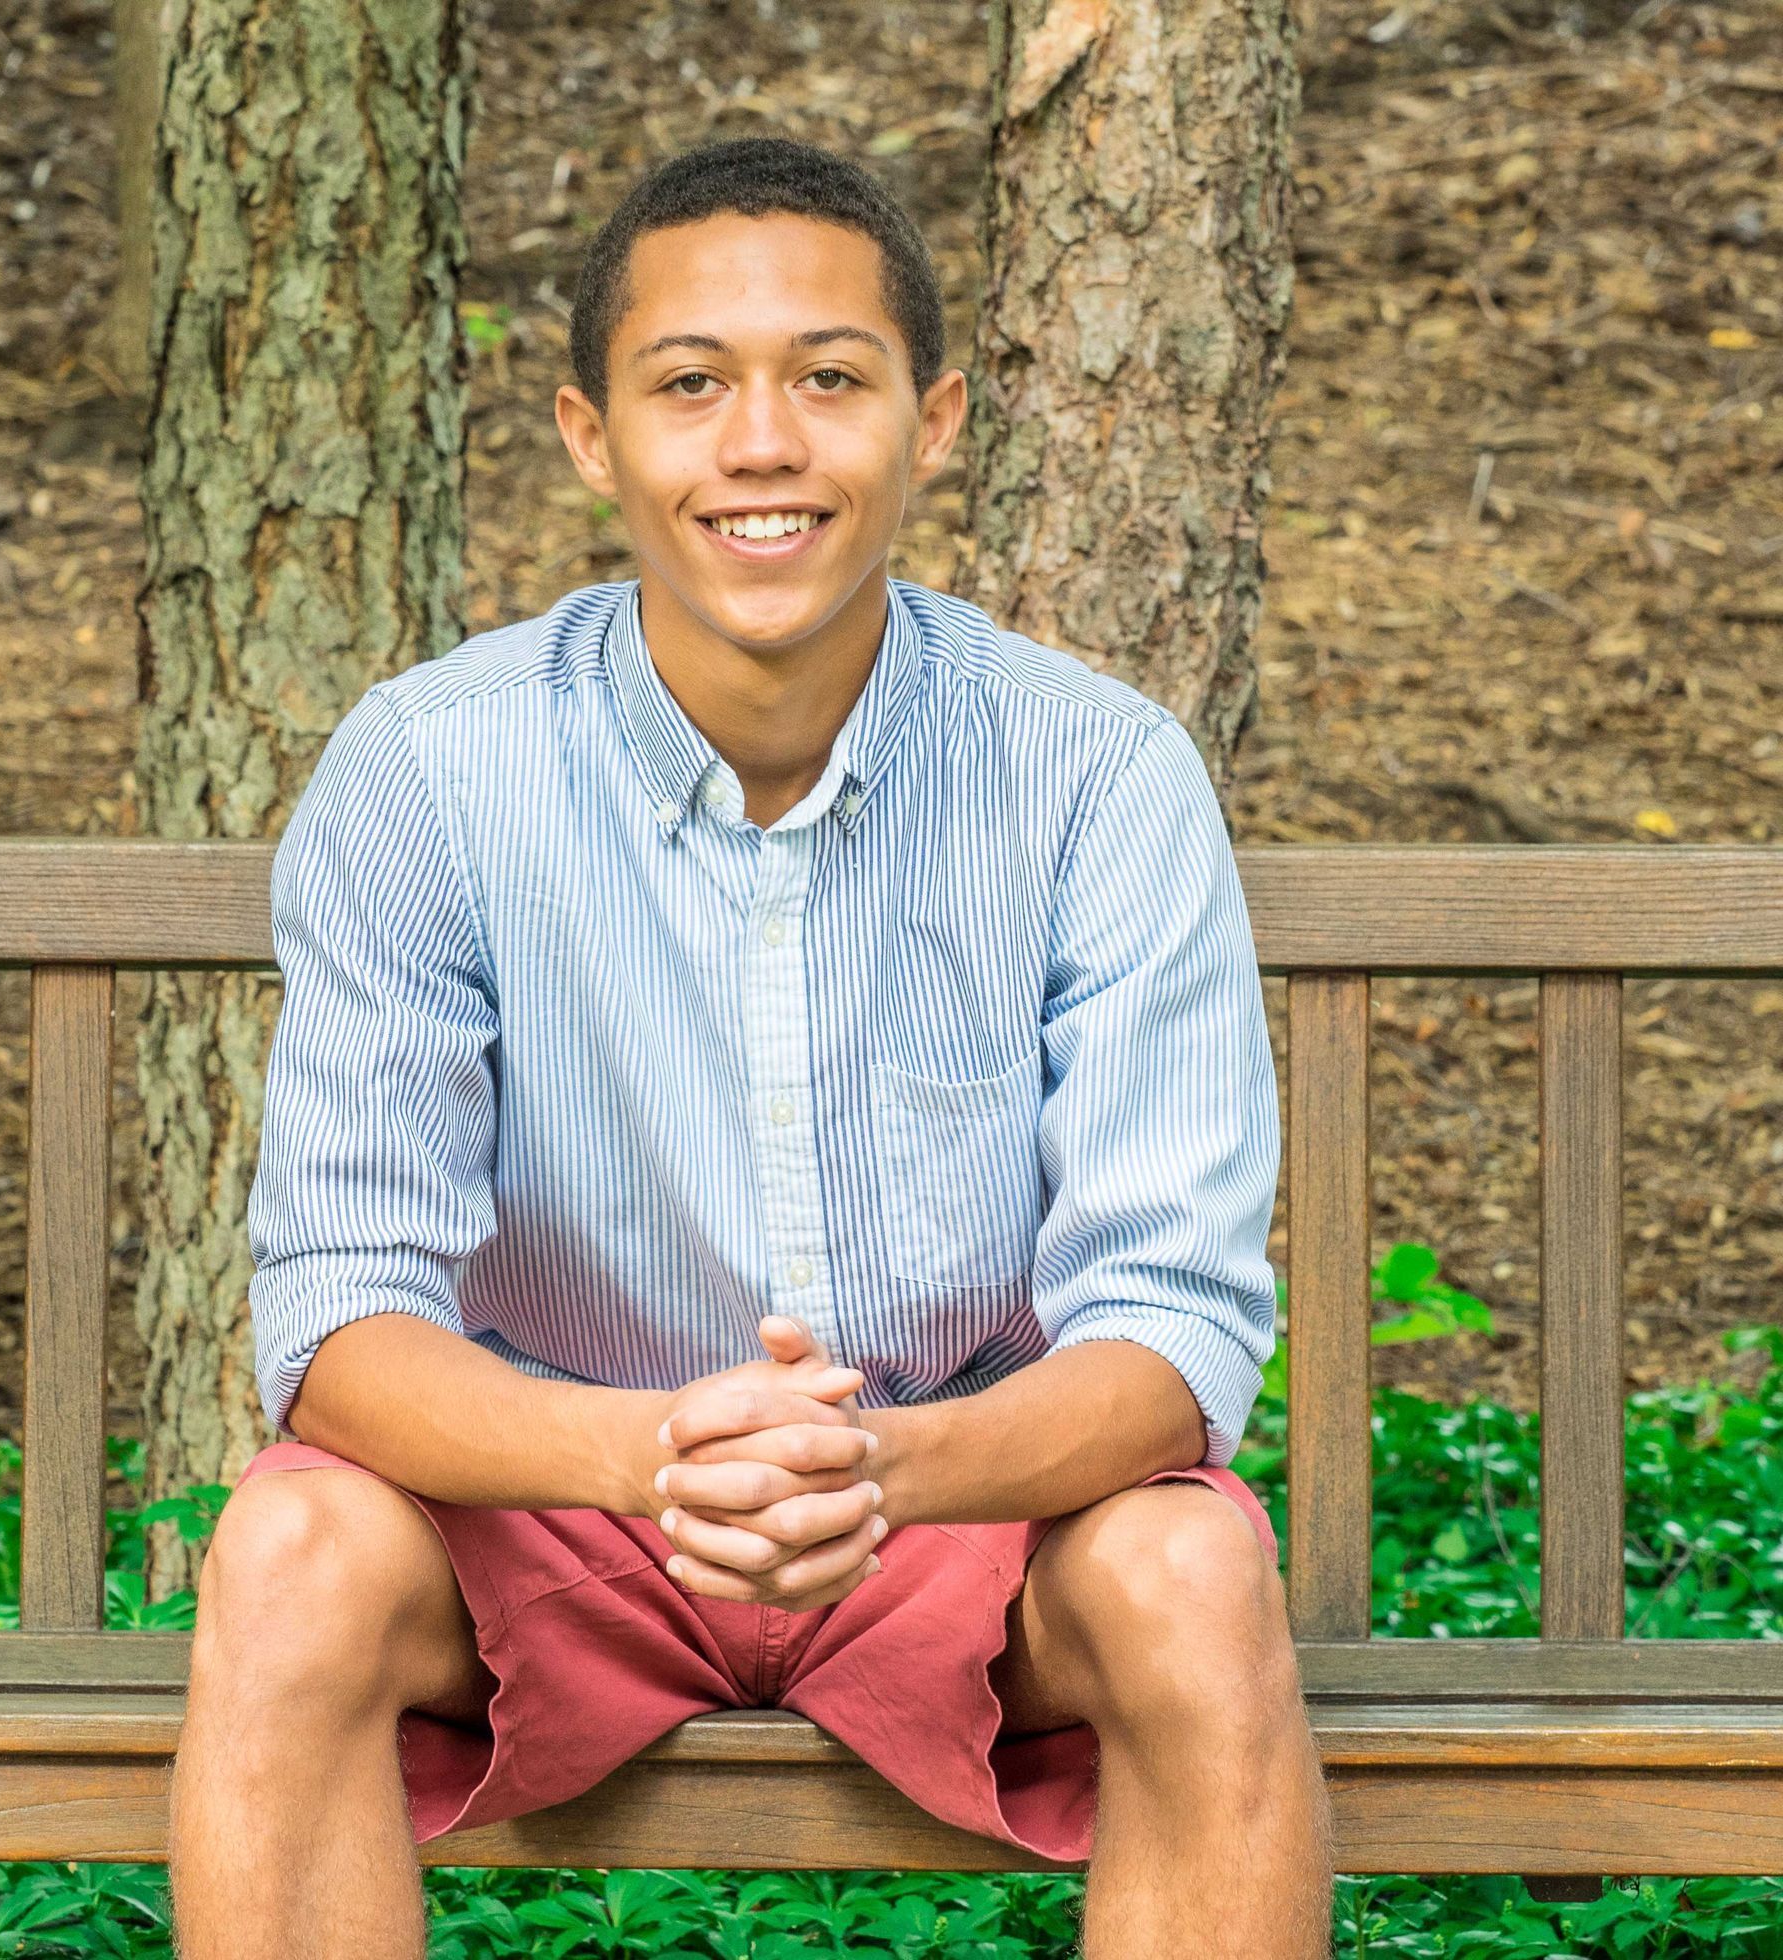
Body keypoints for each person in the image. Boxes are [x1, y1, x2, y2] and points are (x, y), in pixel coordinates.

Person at [167, 135, 1333, 1958]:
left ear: (930, 423)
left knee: (1192, 1565)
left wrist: (889, 1472)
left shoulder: (1097, 773)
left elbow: (1173, 1328)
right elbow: (336, 1320)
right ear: (590, 435)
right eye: (692, 384)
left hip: (972, 1518)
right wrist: (650, 1455)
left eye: (831, 379)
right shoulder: (430, 769)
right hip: (550, 1507)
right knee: (295, 1552)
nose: (764, 441)